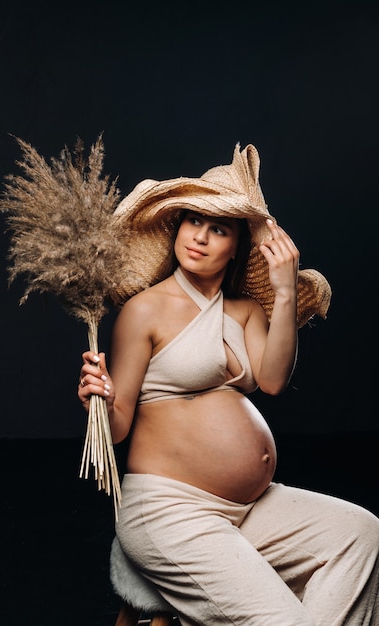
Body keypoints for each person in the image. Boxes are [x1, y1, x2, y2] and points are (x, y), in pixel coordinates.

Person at [77, 144, 379, 625]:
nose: (199, 237)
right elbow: (115, 431)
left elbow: (274, 381)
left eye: (218, 229)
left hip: (247, 507)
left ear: (238, 245)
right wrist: (101, 401)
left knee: (361, 532)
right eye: (193, 222)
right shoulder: (145, 310)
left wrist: (284, 291)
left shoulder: (247, 311)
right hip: (170, 512)